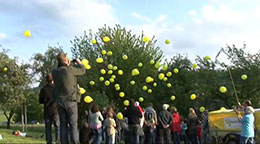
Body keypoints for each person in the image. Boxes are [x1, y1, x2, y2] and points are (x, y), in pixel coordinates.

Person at [52, 52, 86, 144]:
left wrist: (66, 63)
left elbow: (61, 68)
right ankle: (75, 142)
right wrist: (79, 62)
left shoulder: (54, 72)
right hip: (71, 101)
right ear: (66, 60)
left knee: (63, 124)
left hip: (60, 101)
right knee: (73, 125)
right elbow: (83, 70)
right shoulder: (70, 70)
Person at [39, 73, 60, 144]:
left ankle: (49, 141)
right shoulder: (57, 88)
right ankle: (57, 141)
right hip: (56, 109)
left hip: (47, 110)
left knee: (48, 128)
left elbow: (40, 100)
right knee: (57, 127)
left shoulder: (43, 89)